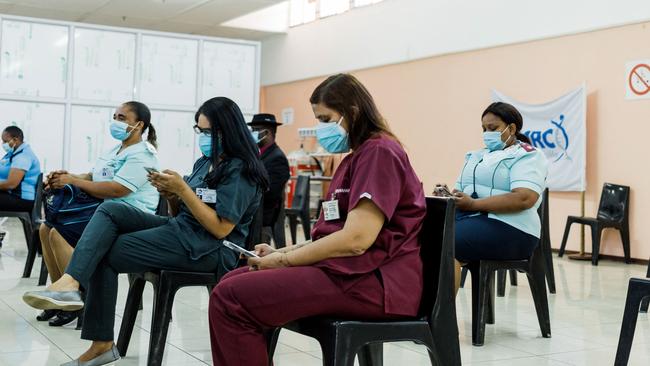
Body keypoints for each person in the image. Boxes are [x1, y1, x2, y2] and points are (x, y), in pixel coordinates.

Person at [22, 96, 267, 366]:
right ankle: (71, 283)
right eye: (200, 131)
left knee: (104, 251)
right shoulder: (205, 162)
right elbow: (181, 214)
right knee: (111, 210)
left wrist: (183, 190)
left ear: (227, 131)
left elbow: (221, 229)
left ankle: (99, 339)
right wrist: (172, 195)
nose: (203, 137)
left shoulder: (239, 168)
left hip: (211, 248)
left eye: (209, 132)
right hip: (183, 231)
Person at [208, 74, 427, 366]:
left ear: (353, 111)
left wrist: (283, 262)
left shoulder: (380, 152)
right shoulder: (356, 156)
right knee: (233, 281)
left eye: (326, 119)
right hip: (350, 273)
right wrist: (281, 252)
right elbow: (329, 235)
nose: (321, 129)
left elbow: (356, 240)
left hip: (374, 283)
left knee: (231, 298)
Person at [38, 101, 160, 327]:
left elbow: (117, 189)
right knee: (46, 228)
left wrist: (74, 181)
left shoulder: (143, 155)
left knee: (59, 232)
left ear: (139, 124)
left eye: (122, 118)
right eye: (115, 116)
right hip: (104, 211)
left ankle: (78, 297)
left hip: (130, 216)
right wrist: (68, 176)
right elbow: (95, 176)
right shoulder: (115, 150)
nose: (116, 122)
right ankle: (60, 297)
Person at [433, 102, 548, 288]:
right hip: (473, 219)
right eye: (484, 129)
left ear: (511, 128)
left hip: (513, 229)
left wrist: (473, 205)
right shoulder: (476, 156)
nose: (487, 134)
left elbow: (525, 198)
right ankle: (431, 310)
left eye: (493, 128)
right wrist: (447, 196)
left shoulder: (528, 155)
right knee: (426, 234)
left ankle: (442, 315)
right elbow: (461, 192)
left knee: (445, 242)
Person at [247, 113, 290, 240]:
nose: (252, 134)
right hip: (252, 215)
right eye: (252, 130)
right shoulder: (257, 155)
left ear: (268, 133)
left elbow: (270, 192)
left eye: (255, 130)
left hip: (262, 220)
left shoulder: (277, 158)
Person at [0, 126, 41, 212]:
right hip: (10, 195)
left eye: (5, 141)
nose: (3, 144)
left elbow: (11, 184)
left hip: (20, 199)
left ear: (15, 140)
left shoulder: (23, 157)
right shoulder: (13, 154)